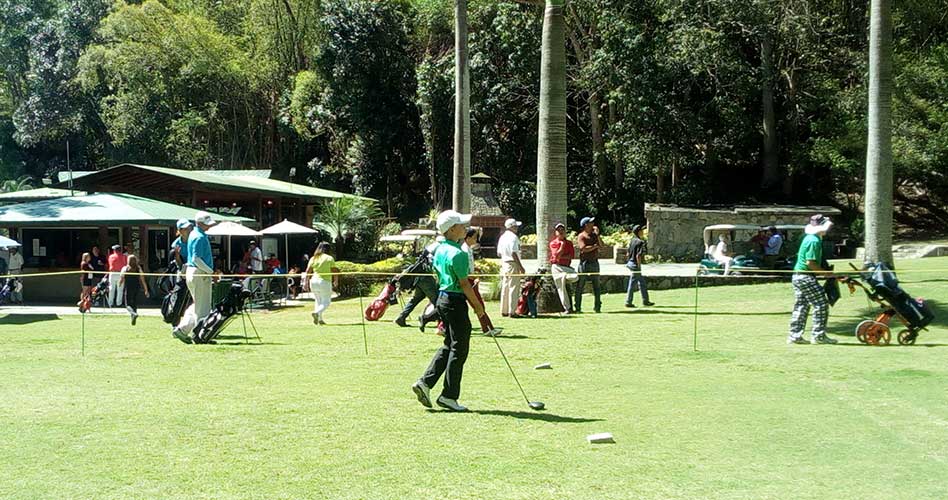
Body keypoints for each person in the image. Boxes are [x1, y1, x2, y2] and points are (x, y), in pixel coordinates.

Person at [411, 210, 487, 412]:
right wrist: (478, 307)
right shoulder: (458, 253)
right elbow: (464, 284)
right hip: (454, 300)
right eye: (461, 225)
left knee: (450, 344)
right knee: (459, 348)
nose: (465, 228)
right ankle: (448, 396)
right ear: (452, 229)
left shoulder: (441, 250)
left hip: (442, 299)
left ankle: (425, 383)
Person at [787, 215, 837, 345]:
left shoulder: (809, 238)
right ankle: (818, 336)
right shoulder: (814, 241)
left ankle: (794, 336)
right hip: (805, 276)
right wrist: (826, 274)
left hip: (798, 276)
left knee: (801, 306)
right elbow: (811, 263)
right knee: (821, 304)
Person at [172, 211, 216, 343]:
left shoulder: (194, 234)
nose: (209, 226)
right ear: (200, 223)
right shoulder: (199, 237)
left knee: (198, 305)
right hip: (199, 273)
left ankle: (182, 329)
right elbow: (196, 259)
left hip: (193, 272)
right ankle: (200, 335)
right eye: (207, 224)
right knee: (203, 308)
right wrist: (210, 272)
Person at [497, 217, 525, 317]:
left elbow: (499, 253)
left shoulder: (502, 237)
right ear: (512, 227)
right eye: (515, 226)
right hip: (512, 263)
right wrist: (520, 266)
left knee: (505, 286)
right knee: (514, 287)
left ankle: (504, 310)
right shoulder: (513, 237)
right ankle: (512, 311)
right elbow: (513, 253)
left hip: (504, 263)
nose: (517, 228)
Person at [574, 216, 602, 313]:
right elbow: (583, 248)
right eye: (590, 222)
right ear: (586, 225)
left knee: (597, 286)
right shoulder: (581, 236)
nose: (593, 224)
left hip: (594, 262)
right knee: (580, 285)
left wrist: (598, 235)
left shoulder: (594, 235)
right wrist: (594, 246)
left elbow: (602, 246)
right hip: (584, 264)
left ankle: (597, 307)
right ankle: (577, 307)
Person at [548, 223, 577, 313]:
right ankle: (567, 308)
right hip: (557, 267)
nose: (561, 232)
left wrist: (561, 256)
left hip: (567, 267)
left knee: (576, 277)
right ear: (555, 232)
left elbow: (571, 256)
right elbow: (556, 256)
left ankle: (564, 276)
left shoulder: (569, 243)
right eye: (558, 230)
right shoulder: (553, 243)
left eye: (562, 230)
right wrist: (562, 246)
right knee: (561, 288)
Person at [306, 242, 337, 326]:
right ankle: (316, 313)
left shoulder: (313, 258)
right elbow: (334, 270)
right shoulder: (329, 258)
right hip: (324, 281)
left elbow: (308, 271)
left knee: (318, 300)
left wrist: (305, 282)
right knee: (326, 302)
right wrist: (336, 281)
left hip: (313, 281)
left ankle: (320, 319)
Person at [625, 224, 654, 308]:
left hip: (630, 263)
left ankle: (645, 300)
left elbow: (627, 253)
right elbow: (638, 255)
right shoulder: (640, 242)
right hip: (635, 265)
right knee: (633, 283)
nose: (643, 232)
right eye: (641, 230)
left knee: (642, 283)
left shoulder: (632, 240)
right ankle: (628, 301)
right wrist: (638, 265)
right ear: (639, 232)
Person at [120, 254, 149, 325]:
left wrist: (120, 283)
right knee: (134, 303)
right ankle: (133, 319)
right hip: (136, 287)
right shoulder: (138, 268)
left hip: (128, 287)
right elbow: (143, 280)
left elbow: (121, 279)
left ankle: (133, 314)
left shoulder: (125, 268)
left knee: (128, 305)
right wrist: (146, 289)